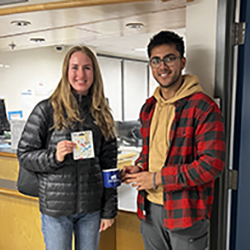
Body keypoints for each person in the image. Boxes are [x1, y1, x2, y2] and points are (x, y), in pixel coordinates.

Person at [123, 31, 225, 250]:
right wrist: (139, 167)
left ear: (182, 62)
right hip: (149, 209)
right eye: (156, 61)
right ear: (150, 65)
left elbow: (212, 165)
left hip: (185, 213)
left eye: (170, 58)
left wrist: (158, 178)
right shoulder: (149, 107)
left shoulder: (203, 107)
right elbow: (149, 153)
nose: (163, 66)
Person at [17, 45, 117, 250]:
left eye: (87, 68)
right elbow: (25, 155)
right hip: (56, 210)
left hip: (91, 209)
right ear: (66, 71)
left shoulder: (102, 113)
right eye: (75, 67)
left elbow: (109, 167)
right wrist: (55, 156)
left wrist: (109, 209)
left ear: (94, 73)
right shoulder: (46, 109)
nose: (81, 74)